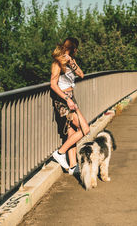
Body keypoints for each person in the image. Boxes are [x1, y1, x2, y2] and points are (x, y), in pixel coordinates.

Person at [51, 37, 90, 175]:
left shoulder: (70, 62)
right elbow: (53, 85)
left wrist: (72, 62)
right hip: (63, 100)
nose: (77, 51)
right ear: (72, 48)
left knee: (72, 132)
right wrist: (67, 99)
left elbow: (81, 74)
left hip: (71, 99)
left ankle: (73, 166)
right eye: (76, 48)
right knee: (85, 129)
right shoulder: (57, 63)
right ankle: (60, 153)